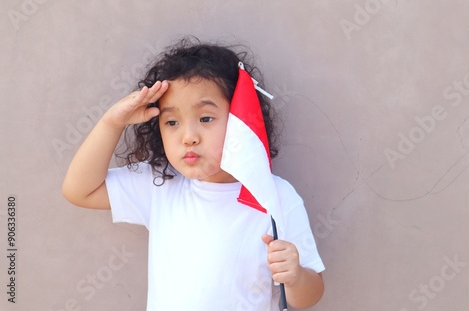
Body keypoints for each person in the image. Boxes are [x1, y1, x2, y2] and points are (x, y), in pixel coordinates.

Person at [62, 37, 325, 310]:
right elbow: (80, 190)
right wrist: (112, 122)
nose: (188, 137)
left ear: (240, 118)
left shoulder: (276, 196)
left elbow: (310, 295)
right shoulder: (161, 184)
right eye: (172, 122)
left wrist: (294, 277)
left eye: (206, 119)